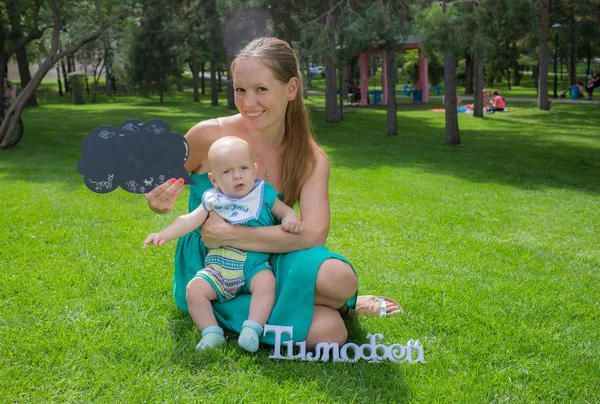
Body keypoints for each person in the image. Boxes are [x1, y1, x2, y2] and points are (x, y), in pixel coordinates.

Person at [144, 37, 402, 351]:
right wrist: (157, 203)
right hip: (211, 268)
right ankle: (334, 305)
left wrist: (229, 234)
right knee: (329, 333)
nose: (248, 102)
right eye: (240, 90)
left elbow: (312, 236)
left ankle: (330, 299)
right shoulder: (208, 136)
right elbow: (161, 192)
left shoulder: (309, 158)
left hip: (265, 262)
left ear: (291, 89)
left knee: (341, 281)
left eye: (261, 89)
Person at [143, 136, 302, 352]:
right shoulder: (212, 199)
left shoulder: (263, 193)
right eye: (227, 171)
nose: (237, 175)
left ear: (254, 170)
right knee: (194, 290)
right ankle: (211, 332)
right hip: (219, 268)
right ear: (214, 179)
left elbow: (284, 210)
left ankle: (252, 328)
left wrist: (290, 219)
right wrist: (164, 234)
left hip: (254, 266)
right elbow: (189, 220)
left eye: (243, 168)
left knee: (266, 284)